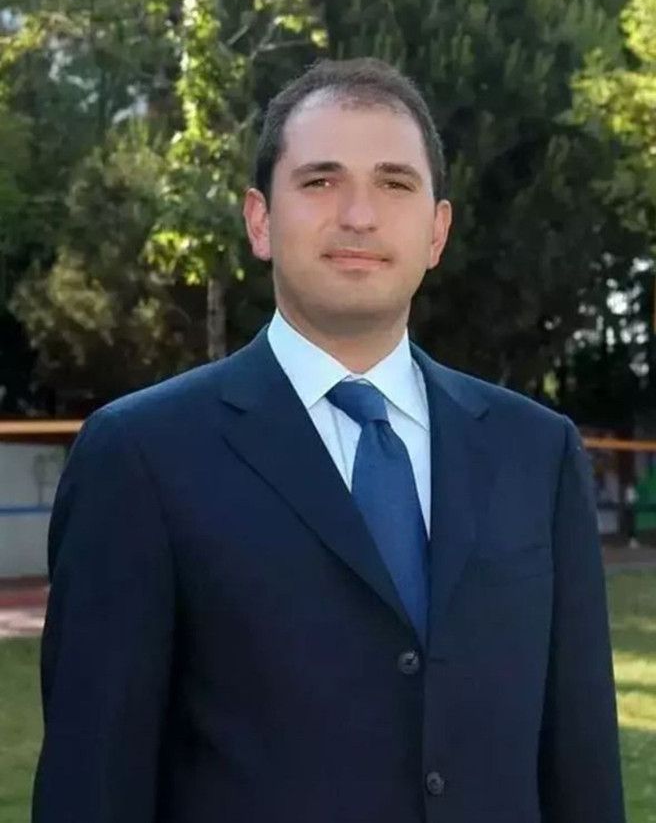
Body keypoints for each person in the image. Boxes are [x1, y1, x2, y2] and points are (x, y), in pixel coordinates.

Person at [32, 58, 625, 823]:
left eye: (395, 183)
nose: (359, 215)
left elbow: (580, 761)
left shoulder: (536, 453)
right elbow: (92, 780)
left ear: (437, 230)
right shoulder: (139, 456)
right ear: (259, 221)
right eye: (320, 181)